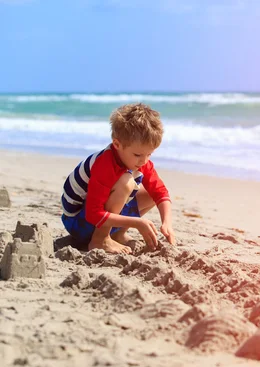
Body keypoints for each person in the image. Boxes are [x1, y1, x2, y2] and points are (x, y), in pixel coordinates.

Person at [61, 103, 175, 254]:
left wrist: (167, 222)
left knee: (149, 193)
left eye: (149, 154)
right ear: (117, 144)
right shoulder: (104, 164)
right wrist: (137, 223)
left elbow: (160, 192)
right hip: (78, 222)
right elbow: (93, 213)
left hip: (98, 216)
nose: (144, 161)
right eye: (137, 155)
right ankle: (100, 239)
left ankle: (117, 235)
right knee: (126, 182)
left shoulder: (140, 161)